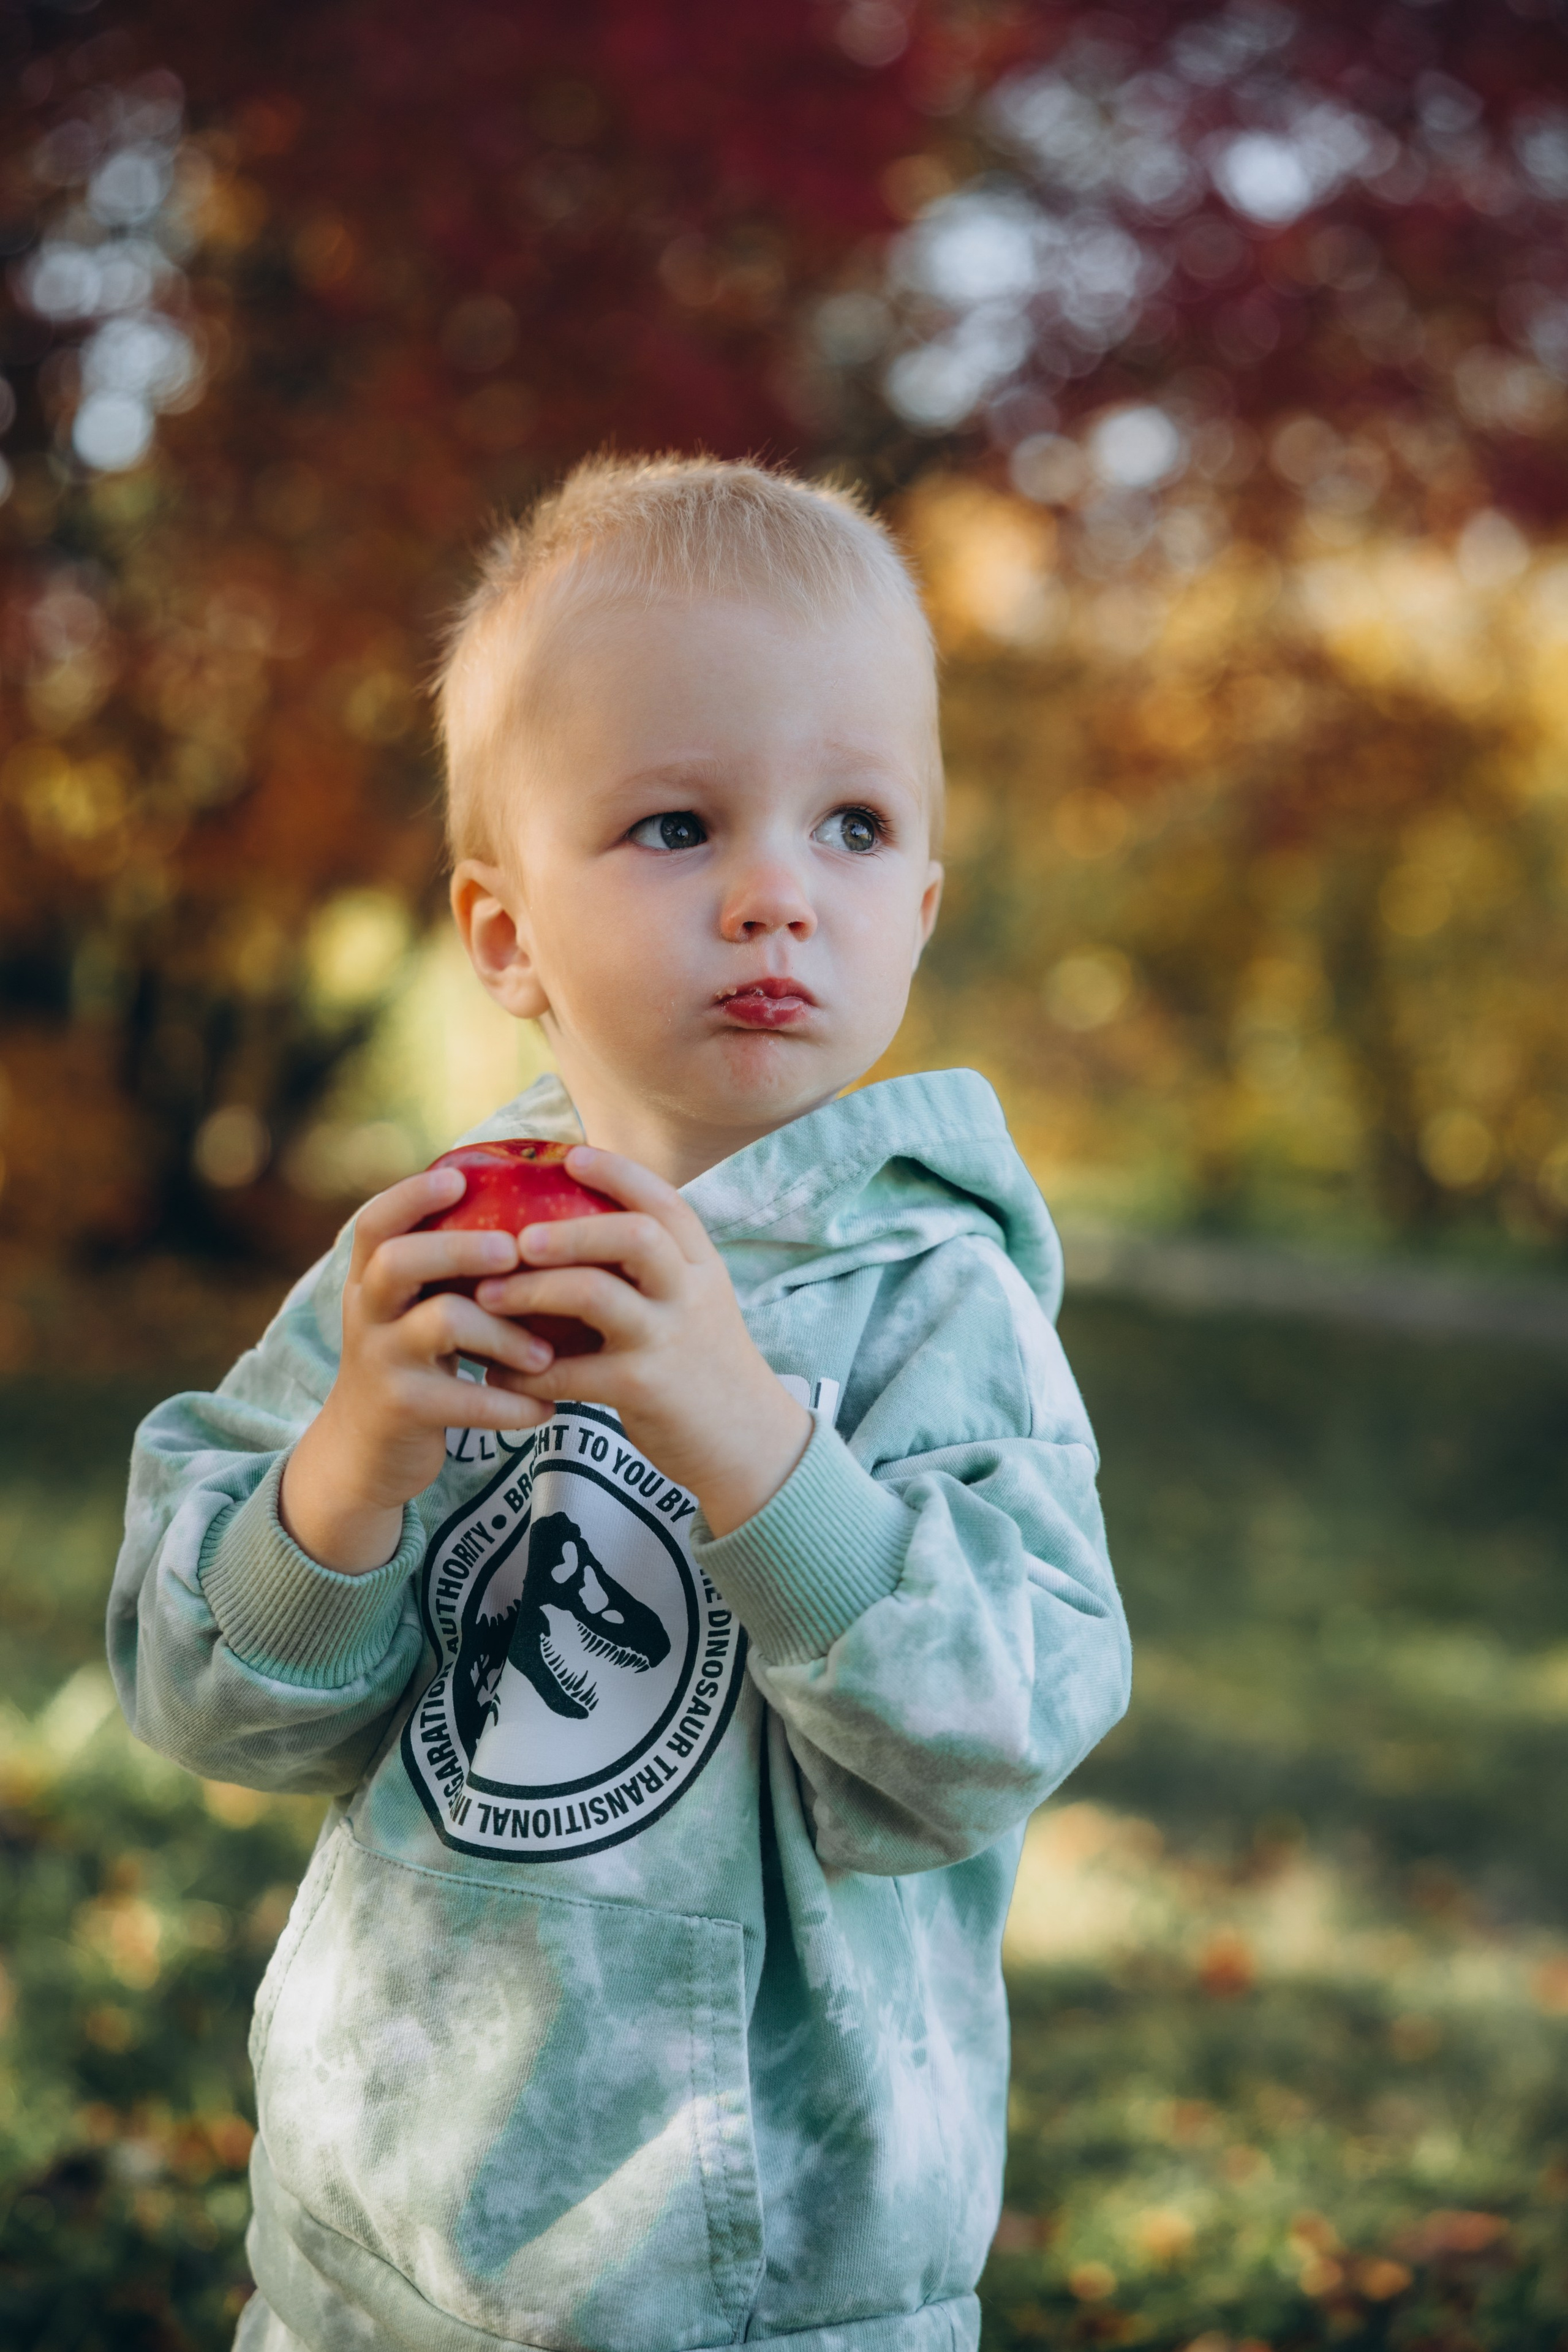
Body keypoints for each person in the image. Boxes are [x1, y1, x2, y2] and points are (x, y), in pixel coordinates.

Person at [110, 454, 1131, 2352]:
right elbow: (206, 1707)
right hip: (368, 2260)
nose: (771, 896)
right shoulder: (413, 1268)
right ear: (502, 936)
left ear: (919, 905)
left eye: (848, 826)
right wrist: (351, 1467)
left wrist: (743, 1435)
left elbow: (997, 1732)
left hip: (773, 2281)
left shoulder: (943, 1299)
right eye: (677, 827)